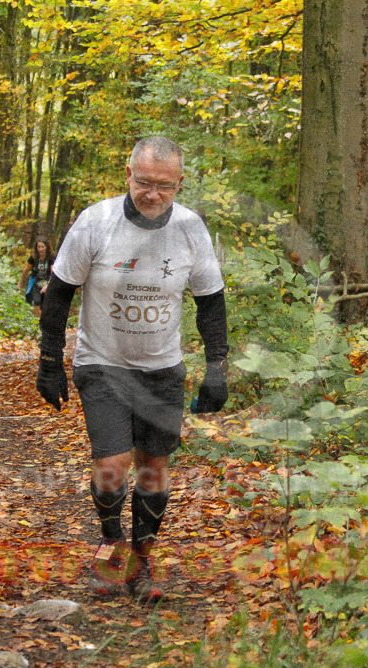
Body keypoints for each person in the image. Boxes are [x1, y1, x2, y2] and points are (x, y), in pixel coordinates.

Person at [35, 136, 229, 605]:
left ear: (179, 183)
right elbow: (59, 292)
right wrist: (49, 362)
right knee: (112, 468)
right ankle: (110, 541)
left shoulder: (189, 228)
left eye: (164, 186)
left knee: (155, 470)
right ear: (128, 175)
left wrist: (218, 365)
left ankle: (143, 558)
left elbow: (210, 301)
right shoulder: (94, 223)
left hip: (162, 368)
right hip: (102, 363)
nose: (152, 194)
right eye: (143, 182)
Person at [18, 237, 53, 316]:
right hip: (36, 282)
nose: (40, 249)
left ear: (46, 247)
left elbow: (53, 272)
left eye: (42, 247)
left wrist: (48, 285)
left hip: (47, 282)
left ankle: (43, 322)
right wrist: (21, 281)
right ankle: (37, 323)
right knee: (36, 302)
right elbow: (27, 269)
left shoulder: (51, 257)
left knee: (45, 305)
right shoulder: (33, 257)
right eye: (39, 247)